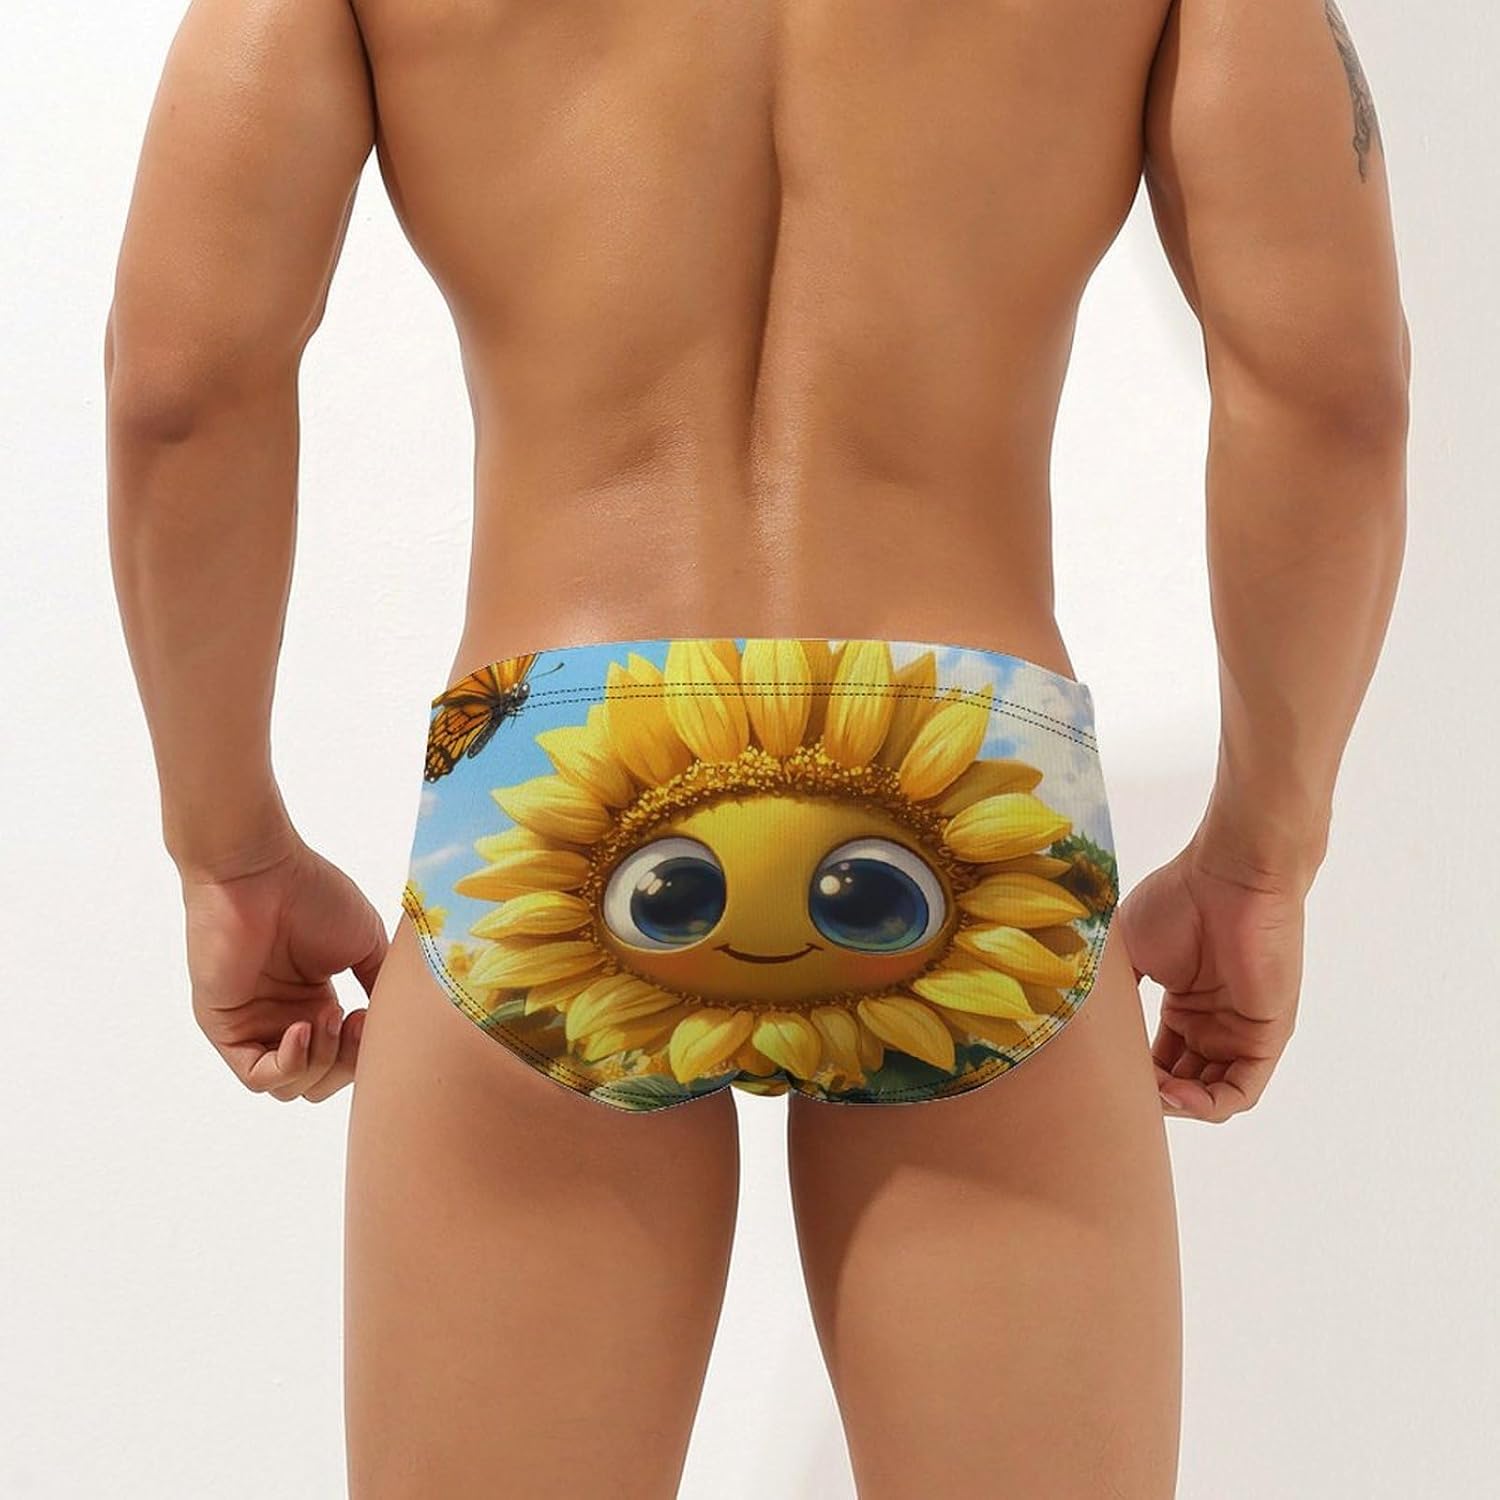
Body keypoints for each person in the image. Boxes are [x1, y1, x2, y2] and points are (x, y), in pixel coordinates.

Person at [104, 0, 1408, 1494]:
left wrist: (231, 851)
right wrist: (1260, 856)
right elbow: (1333, 395)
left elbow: (181, 389)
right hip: (963, 781)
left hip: (558, 773)